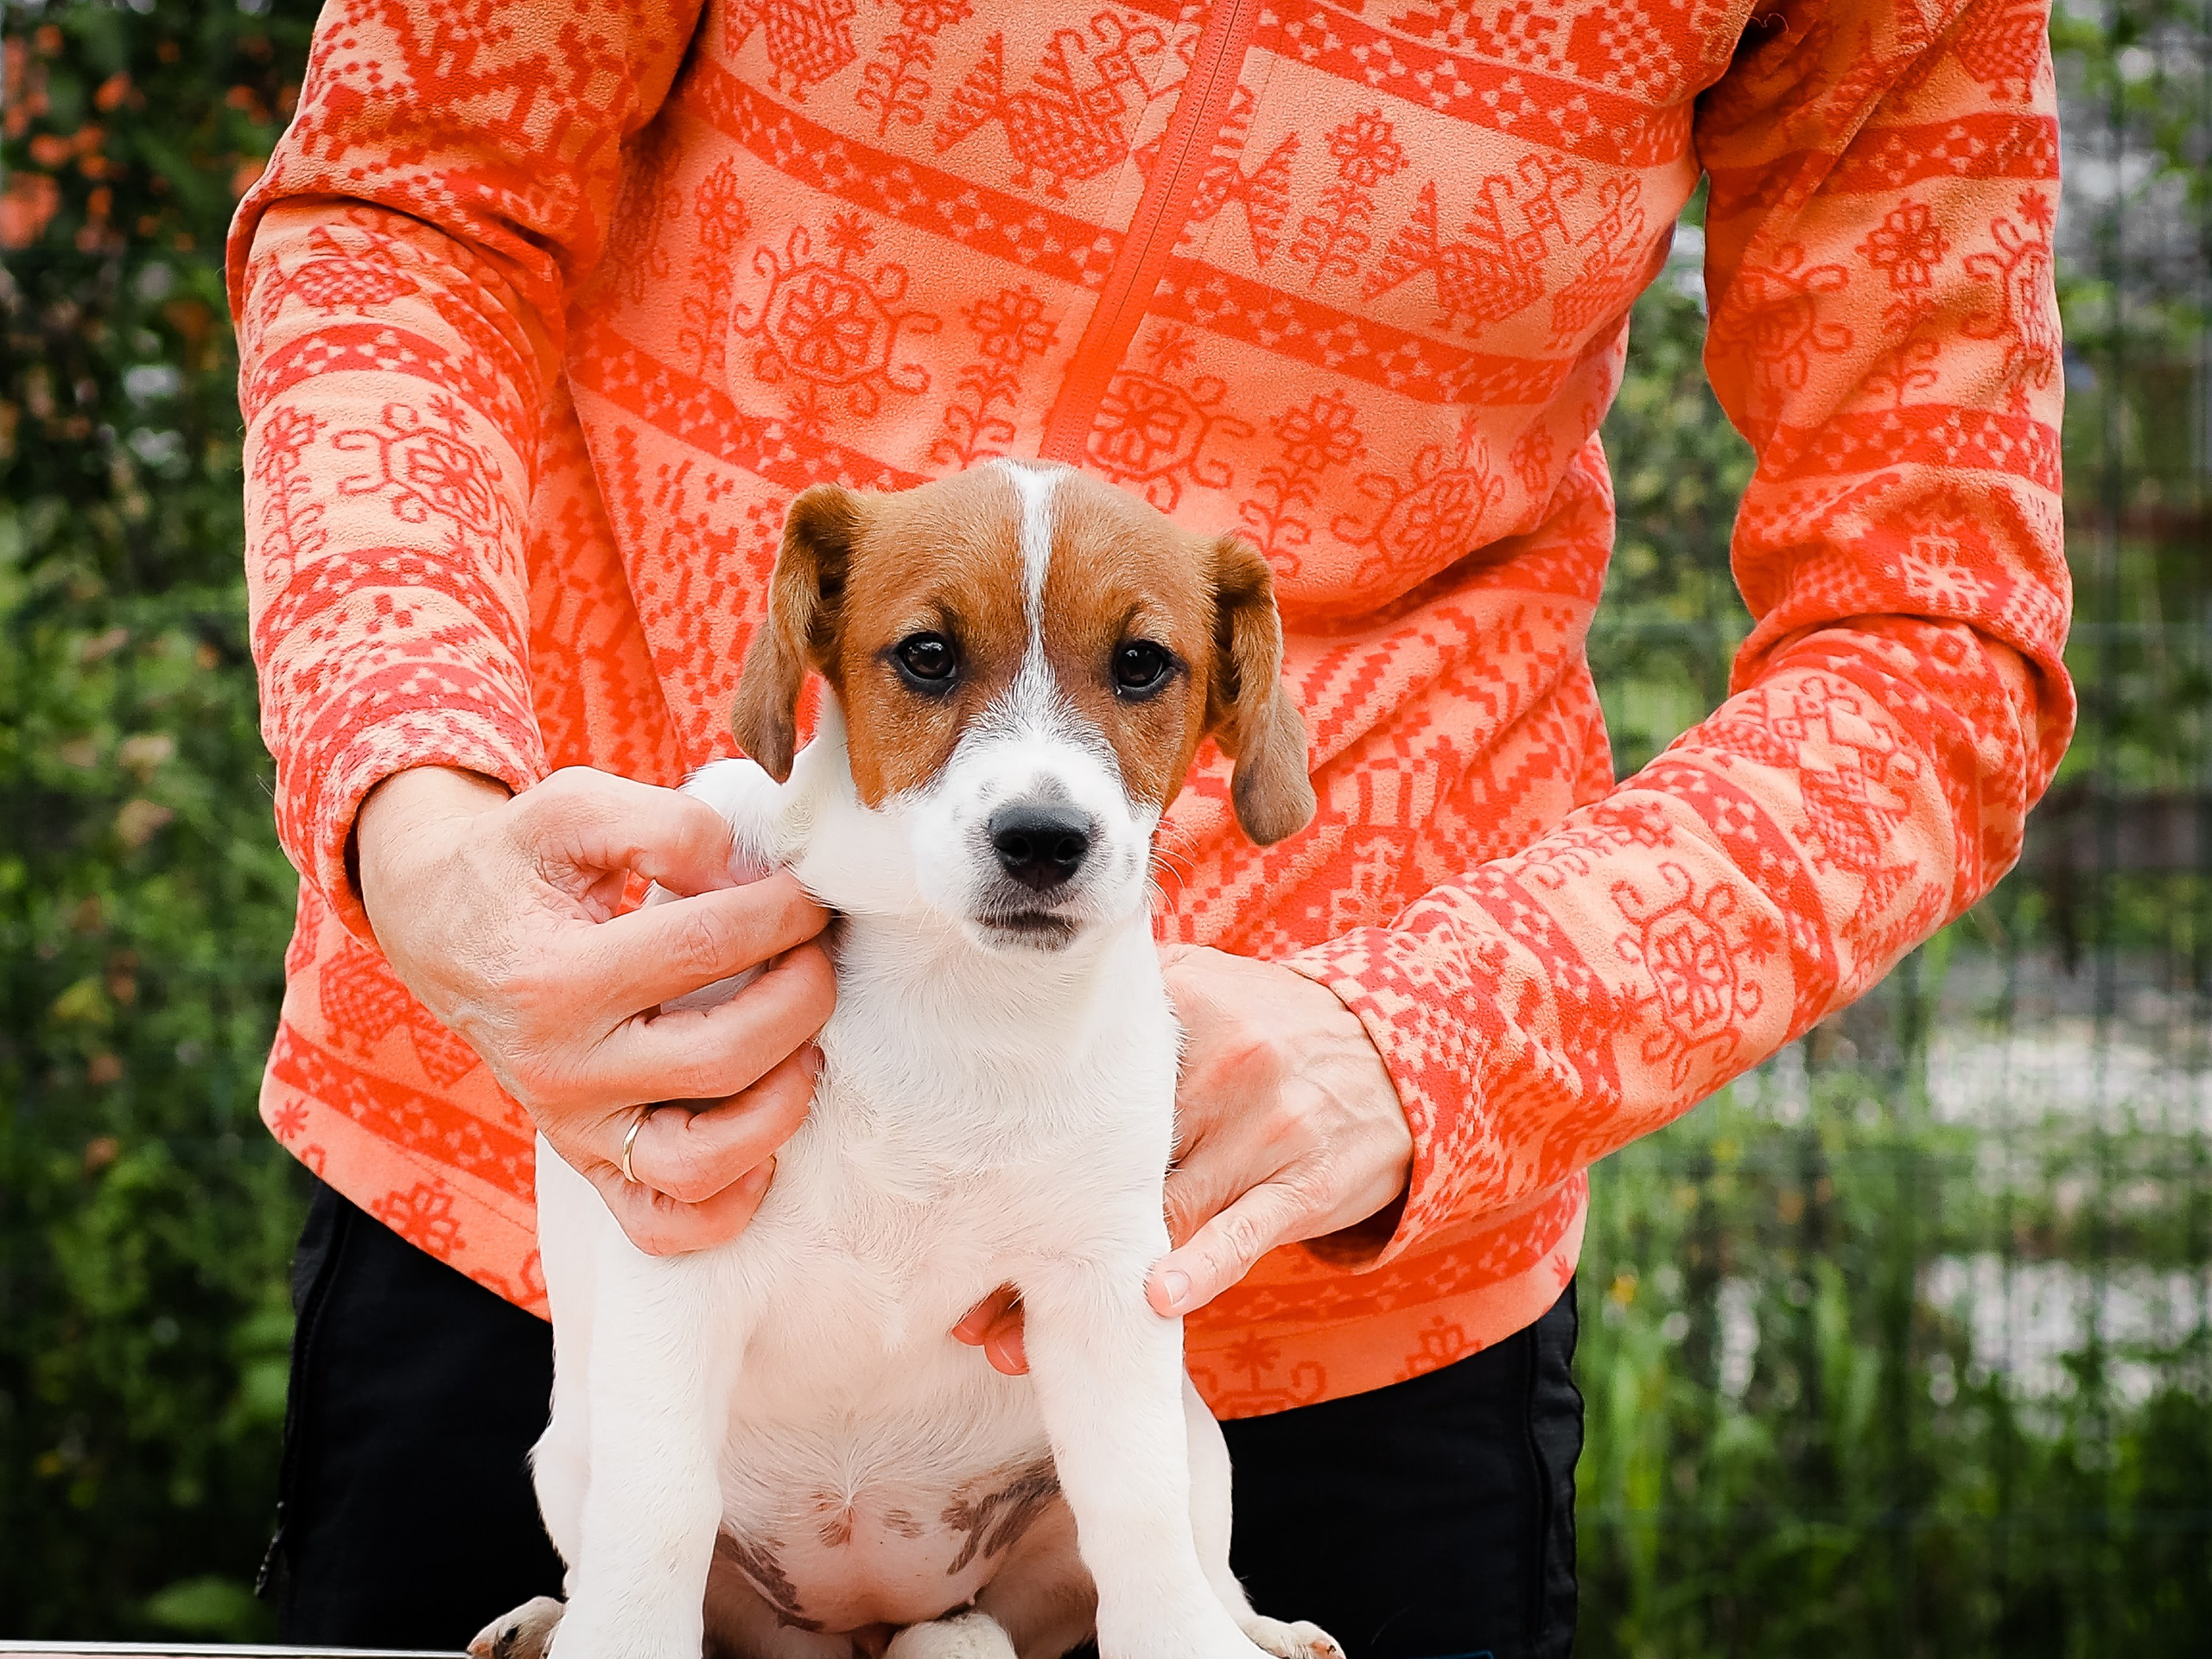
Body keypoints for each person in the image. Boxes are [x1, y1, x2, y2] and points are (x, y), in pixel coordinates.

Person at [229, 2, 2070, 1655]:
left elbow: (1937, 621)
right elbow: (409, 195)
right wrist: (420, 809)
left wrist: (1436, 1039)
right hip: (576, 1146)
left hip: (1302, 1304)